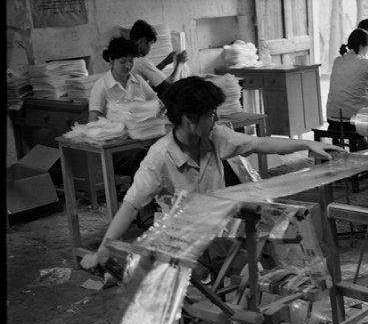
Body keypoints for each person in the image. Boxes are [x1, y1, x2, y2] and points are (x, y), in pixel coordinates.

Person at [80, 76, 344, 271]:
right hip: (182, 241)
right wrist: (103, 250)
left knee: (270, 252)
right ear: (189, 119)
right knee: (211, 290)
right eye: (210, 114)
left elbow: (258, 143)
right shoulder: (159, 158)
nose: (216, 119)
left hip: (220, 229)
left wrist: (307, 144)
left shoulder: (214, 136)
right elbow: (131, 205)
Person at [88, 36, 159, 179]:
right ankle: (139, 193)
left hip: (141, 139)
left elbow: (156, 104)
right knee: (144, 159)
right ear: (111, 60)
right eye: (122, 62)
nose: (127, 66)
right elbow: (92, 122)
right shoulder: (101, 86)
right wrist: (116, 128)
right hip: (115, 148)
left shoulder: (137, 80)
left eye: (131, 61)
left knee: (165, 153)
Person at [129, 19, 188, 99]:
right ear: (142, 41)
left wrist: (165, 62)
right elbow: (169, 86)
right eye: (150, 44)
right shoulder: (141, 62)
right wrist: (180, 63)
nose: (150, 48)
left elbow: (151, 74)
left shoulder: (128, 59)